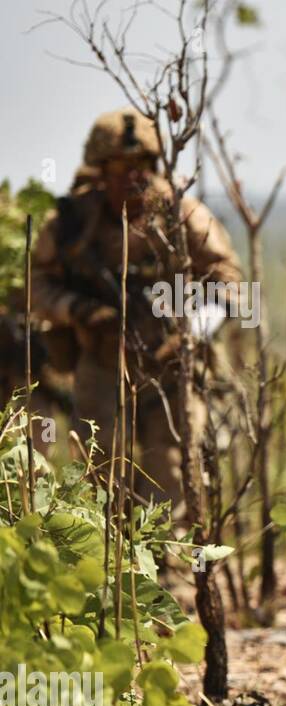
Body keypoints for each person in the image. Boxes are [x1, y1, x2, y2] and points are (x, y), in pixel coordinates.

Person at [30, 107, 241, 518]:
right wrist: (80, 310)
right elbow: (37, 285)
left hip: (171, 362)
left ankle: (167, 564)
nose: (132, 177)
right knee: (98, 461)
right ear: (101, 170)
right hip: (103, 359)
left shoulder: (183, 214)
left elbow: (229, 280)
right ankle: (111, 564)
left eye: (141, 166)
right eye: (120, 168)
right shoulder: (73, 221)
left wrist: (192, 329)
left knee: (174, 463)